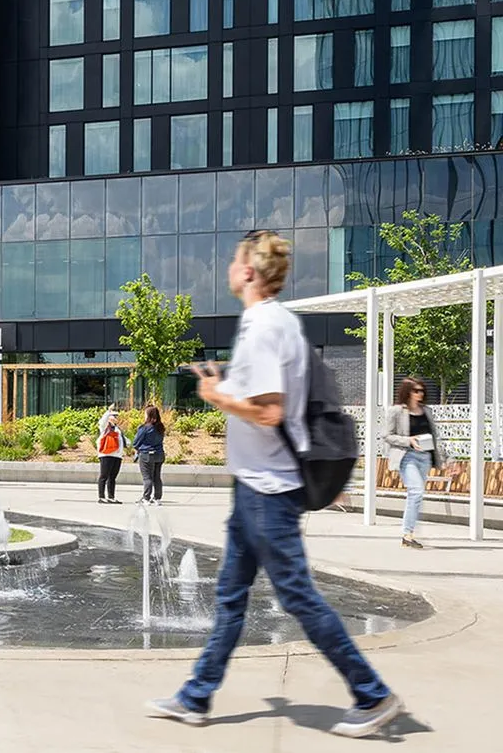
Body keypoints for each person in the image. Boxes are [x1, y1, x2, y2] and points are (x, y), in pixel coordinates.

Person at [146, 231, 401, 738]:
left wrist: (217, 396)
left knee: (298, 597)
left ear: (249, 272)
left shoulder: (263, 326)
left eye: (235, 259)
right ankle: (196, 697)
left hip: (268, 491)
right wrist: (228, 387)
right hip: (254, 490)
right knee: (230, 597)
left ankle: (371, 694)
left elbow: (270, 411)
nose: (228, 266)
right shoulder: (276, 322)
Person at [385, 378, 443, 549]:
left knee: (416, 494)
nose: (420, 394)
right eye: (416, 390)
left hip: (425, 458)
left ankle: (407, 535)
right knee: (416, 491)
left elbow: (435, 436)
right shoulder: (396, 411)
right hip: (407, 456)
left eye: (422, 390)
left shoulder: (427, 411)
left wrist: (448, 460)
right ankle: (407, 535)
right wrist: (408, 440)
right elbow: (387, 436)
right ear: (407, 392)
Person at [133, 405, 166, 505]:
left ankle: (146, 498)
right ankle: (157, 498)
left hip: (146, 455)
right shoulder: (160, 428)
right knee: (157, 477)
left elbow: (136, 442)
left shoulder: (144, 428)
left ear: (148, 415)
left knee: (147, 477)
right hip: (159, 455)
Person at [97, 409, 128, 504]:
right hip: (106, 455)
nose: (115, 418)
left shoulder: (117, 429)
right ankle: (101, 497)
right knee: (104, 476)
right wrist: (108, 412)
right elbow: (102, 421)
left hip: (117, 456)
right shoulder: (105, 427)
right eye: (113, 416)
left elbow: (122, 440)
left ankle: (111, 496)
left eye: (116, 416)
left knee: (113, 477)